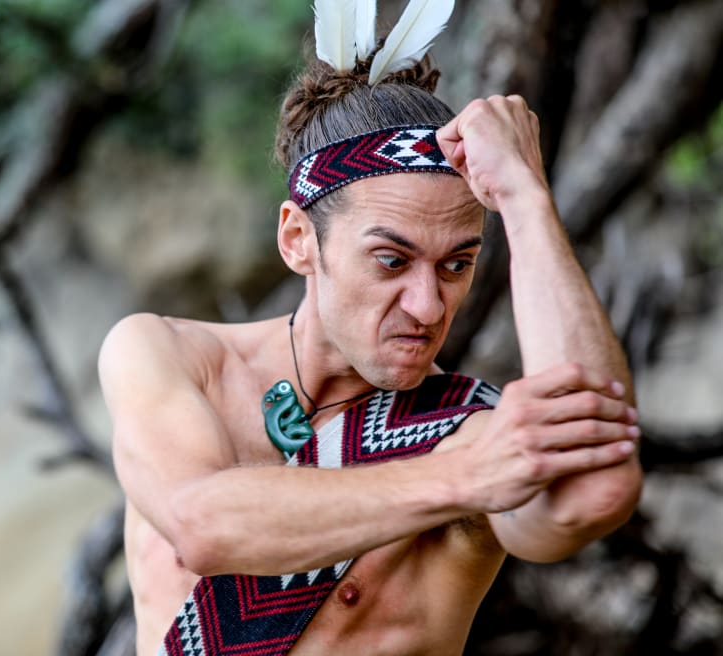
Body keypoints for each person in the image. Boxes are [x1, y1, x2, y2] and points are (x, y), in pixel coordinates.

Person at [98, 11, 643, 655]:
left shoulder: (463, 428)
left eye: (456, 265)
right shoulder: (171, 358)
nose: (427, 305)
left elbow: (597, 487)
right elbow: (204, 525)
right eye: (392, 261)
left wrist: (525, 198)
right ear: (299, 240)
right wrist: (462, 479)